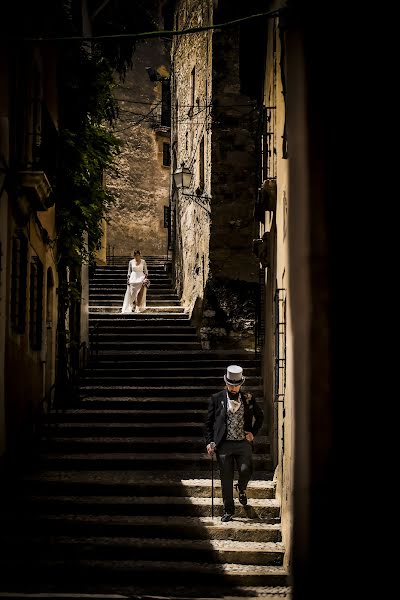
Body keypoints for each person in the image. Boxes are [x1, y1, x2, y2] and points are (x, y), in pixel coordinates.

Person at [204, 364, 264, 522]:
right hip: (223, 445)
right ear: (226, 383)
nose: (233, 388)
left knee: (246, 470)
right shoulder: (216, 399)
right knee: (226, 478)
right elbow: (209, 423)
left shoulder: (248, 399)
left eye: (236, 385)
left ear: (240, 385)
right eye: (231, 385)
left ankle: (241, 487)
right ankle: (228, 510)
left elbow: (260, 416)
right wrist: (210, 442)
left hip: (242, 443)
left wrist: (253, 433)